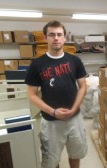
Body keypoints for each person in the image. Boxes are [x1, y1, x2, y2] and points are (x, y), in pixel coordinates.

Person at [25, 20, 88, 168]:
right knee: (51, 160)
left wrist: (73, 109)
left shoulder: (75, 60)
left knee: (76, 153)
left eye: (59, 34)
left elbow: (83, 87)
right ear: (45, 37)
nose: (56, 38)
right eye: (52, 35)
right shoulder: (37, 64)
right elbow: (32, 94)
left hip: (75, 118)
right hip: (51, 121)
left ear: (65, 38)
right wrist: (53, 112)